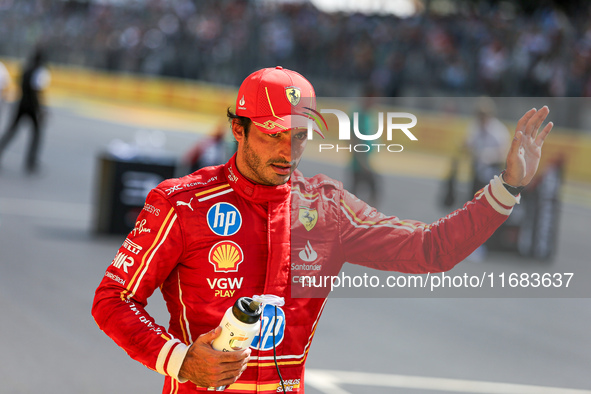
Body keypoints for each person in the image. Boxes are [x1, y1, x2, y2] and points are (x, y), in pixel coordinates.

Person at [92, 66, 553, 393]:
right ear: (238, 127)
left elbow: (431, 251)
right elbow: (113, 299)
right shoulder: (181, 201)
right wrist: (180, 359)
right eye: (272, 132)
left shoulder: (327, 207)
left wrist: (507, 187)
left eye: (298, 135)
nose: (287, 149)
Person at [0, 48, 51, 174]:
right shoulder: (40, 71)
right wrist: (40, 109)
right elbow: (36, 90)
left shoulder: (26, 68)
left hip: (21, 104)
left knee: (12, 131)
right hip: (31, 107)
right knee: (36, 134)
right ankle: (31, 161)